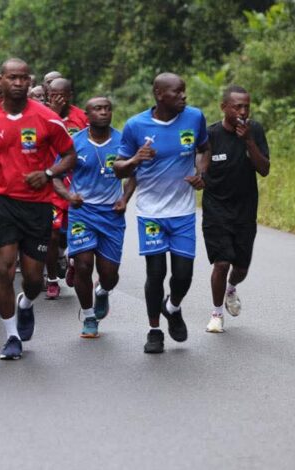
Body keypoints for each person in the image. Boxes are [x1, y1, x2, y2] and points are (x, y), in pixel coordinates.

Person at [0, 58, 77, 360]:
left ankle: (26, 303)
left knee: (32, 279)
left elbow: (70, 155)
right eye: (12, 78)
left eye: (23, 79)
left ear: (30, 82)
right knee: (3, 269)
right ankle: (12, 336)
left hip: (38, 206)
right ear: (1, 80)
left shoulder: (47, 118)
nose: (17, 83)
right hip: (2, 203)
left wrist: (49, 174)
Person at [113, 72, 210, 354]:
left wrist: (201, 173)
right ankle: (154, 330)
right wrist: (135, 159)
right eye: (177, 92)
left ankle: (173, 307)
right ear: (158, 94)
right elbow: (118, 167)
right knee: (156, 273)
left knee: (183, 274)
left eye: (184, 91)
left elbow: (204, 149)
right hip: (150, 212)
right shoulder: (135, 125)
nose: (184, 97)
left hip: (182, 212)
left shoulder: (194, 117)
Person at [52, 97, 135, 338]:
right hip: (83, 213)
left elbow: (133, 174)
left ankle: (102, 292)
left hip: (112, 214)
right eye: (97, 109)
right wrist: (68, 196)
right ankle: (89, 317)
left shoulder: (122, 141)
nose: (104, 112)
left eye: (108, 108)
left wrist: (125, 199)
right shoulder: (73, 143)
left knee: (109, 275)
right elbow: (55, 176)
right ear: (86, 115)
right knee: (84, 265)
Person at [202, 85, 270, 333]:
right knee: (221, 263)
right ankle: (216, 314)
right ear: (224, 107)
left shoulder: (255, 130)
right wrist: (198, 177)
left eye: (246, 106)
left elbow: (264, 169)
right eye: (237, 106)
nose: (242, 111)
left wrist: (249, 140)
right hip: (216, 210)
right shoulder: (210, 135)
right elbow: (201, 168)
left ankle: (232, 288)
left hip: (245, 210)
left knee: (240, 267)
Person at [44, 78, 90, 299]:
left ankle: (71, 260)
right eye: (53, 94)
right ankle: (52, 280)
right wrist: (53, 113)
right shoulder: (42, 114)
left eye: (62, 94)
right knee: (51, 235)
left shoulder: (81, 117)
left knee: (71, 234)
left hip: (76, 184)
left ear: (70, 95)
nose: (57, 98)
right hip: (50, 184)